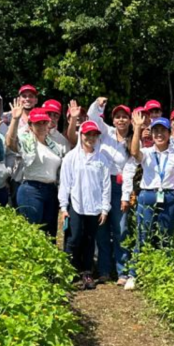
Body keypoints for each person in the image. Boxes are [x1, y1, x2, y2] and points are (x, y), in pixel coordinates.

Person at [125, 111, 174, 290]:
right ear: (151, 134)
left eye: (163, 131)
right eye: (156, 131)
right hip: (148, 195)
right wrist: (137, 128)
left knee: (166, 237)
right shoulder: (146, 152)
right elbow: (134, 152)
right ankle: (134, 274)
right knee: (143, 235)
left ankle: (163, 273)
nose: (159, 135)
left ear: (169, 134)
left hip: (169, 196)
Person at [59, 121, 115, 290]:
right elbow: (65, 183)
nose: (90, 138)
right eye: (87, 134)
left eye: (94, 135)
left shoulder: (102, 159)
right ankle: (69, 270)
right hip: (76, 204)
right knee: (74, 238)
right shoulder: (71, 157)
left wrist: (105, 208)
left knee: (90, 240)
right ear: (80, 135)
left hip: (94, 206)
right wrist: (63, 207)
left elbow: (106, 185)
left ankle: (87, 272)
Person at [83, 98, 133, 284]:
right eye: (117, 117)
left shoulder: (132, 140)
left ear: (129, 120)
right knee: (101, 227)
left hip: (119, 186)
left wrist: (126, 195)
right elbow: (92, 116)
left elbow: (129, 169)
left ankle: (122, 271)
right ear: (113, 120)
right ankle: (104, 269)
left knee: (120, 228)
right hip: (99, 184)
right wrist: (97, 103)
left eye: (124, 117)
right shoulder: (105, 133)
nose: (121, 120)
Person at [8, 104, 64, 237]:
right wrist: (15, 120)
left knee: (50, 233)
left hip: (51, 190)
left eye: (44, 122)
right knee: (32, 232)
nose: (42, 126)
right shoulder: (26, 141)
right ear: (30, 125)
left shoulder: (54, 146)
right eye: (37, 123)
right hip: (31, 189)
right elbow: (10, 143)